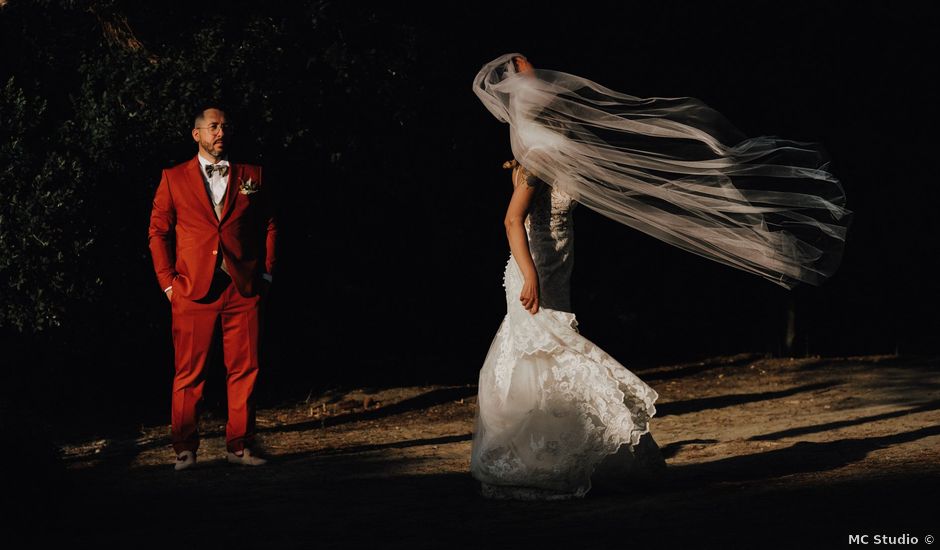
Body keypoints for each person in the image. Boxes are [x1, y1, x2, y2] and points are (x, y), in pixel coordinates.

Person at [469, 54, 850, 499]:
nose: (548, 86)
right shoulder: (536, 153)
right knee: (542, 348)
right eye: (534, 80)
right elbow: (512, 221)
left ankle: (544, 453)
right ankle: (544, 457)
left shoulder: (546, 147)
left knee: (539, 352)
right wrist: (530, 275)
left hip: (553, 265)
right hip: (536, 267)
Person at [148, 106, 276, 471]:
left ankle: (240, 446)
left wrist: (265, 275)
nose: (221, 132)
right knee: (188, 373)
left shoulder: (252, 175)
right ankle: (184, 449)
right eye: (214, 127)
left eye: (225, 127)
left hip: (243, 288)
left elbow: (269, 224)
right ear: (197, 134)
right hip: (191, 289)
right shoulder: (173, 178)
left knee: (245, 368)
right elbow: (158, 231)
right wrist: (168, 284)